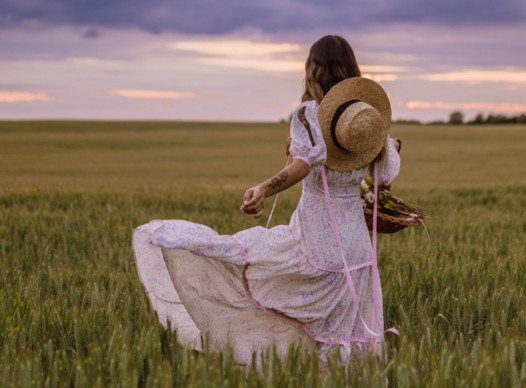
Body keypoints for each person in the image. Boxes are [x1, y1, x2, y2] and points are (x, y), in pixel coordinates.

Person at [132, 35, 401, 366]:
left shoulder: (310, 115)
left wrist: (263, 188)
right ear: (352, 68)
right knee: (345, 329)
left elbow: (303, 166)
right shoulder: (367, 121)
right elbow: (383, 179)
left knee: (248, 264)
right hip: (356, 248)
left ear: (313, 70)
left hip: (316, 240)